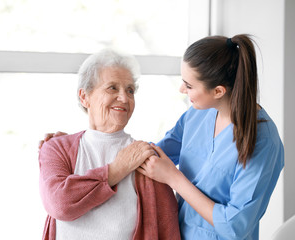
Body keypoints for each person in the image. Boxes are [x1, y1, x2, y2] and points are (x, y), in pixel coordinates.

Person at [137, 34, 284, 239]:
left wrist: (174, 178)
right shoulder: (197, 113)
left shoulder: (263, 139)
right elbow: (157, 154)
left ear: (218, 91)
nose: (182, 89)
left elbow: (234, 226)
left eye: (189, 86)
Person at [38, 49, 181, 240]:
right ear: (84, 97)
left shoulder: (147, 157)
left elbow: (168, 230)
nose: (124, 98)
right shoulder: (56, 148)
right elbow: (60, 205)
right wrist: (116, 170)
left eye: (130, 90)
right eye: (112, 88)